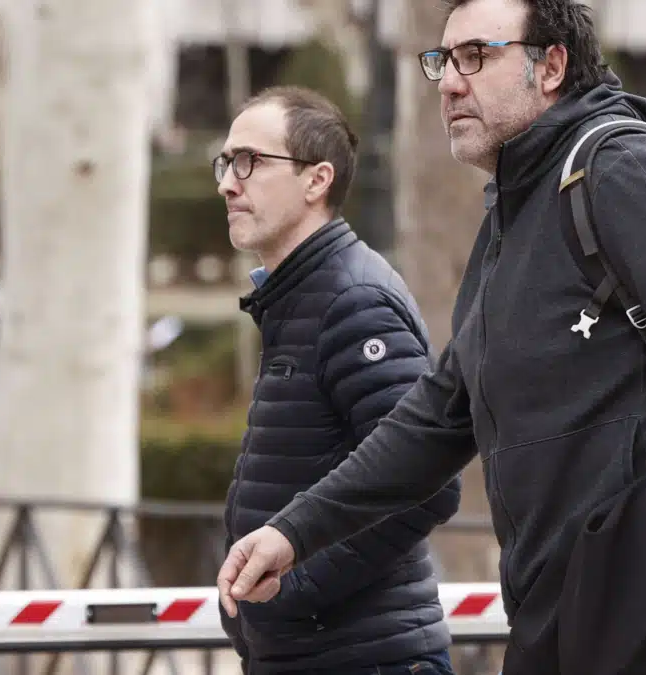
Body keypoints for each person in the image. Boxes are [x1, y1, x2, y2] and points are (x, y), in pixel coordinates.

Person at [218, 2, 646, 673]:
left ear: (550, 66)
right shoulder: (517, 210)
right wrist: (293, 532)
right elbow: (437, 417)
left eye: (475, 56)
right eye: (442, 61)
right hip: (566, 611)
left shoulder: (626, 168)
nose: (449, 83)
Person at [213, 85, 460, 675]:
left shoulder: (353, 301)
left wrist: (290, 584)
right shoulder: (302, 295)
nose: (227, 183)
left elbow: (427, 483)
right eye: (224, 162)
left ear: (316, 180)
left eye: (249, 161)